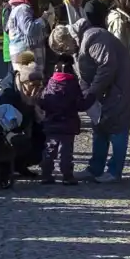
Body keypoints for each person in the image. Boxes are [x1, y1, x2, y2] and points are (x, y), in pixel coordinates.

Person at [75, 14, 130, 184]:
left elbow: (106, 67)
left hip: (121, 88)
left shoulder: (95, 38)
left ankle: (114, 171)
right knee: (100, 127)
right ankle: (95, 168)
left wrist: (92, 92)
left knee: (117, 128)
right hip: (109, 90)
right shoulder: (85, 41)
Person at [37, 34, 85, 185]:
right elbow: (80, 104)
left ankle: (46, 174)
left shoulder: (50, 84)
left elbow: (43, 101)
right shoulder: (73, 85)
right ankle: (67, 176)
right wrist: (91, 97)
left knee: (49, 149)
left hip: (51, 123)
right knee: (65, 152)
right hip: (68, 124)